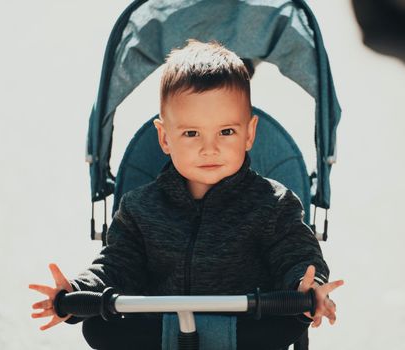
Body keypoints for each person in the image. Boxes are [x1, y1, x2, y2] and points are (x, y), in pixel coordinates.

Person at [30, 40, 344, 349]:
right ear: (165, 138)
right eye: (191, 133)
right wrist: (78, 291)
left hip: (246, 334)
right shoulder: (140, 207)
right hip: (160, 333)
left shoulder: (273, 204)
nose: (210, 148)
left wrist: (308, 288)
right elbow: (117, 264)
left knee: (288, 319)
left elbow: (296, 255)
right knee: (98, 327)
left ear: (249, 134)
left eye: (226, 132)